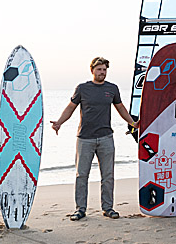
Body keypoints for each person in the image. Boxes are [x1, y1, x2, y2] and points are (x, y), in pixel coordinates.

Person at [51, 57, 137, 221]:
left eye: (104, 69)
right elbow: (71, 107)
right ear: (92, 70)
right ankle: (80, 209)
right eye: (99, 69)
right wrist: (59, 122)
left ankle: (108, 208)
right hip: (85, 138)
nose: (102, 72)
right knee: (81, 175)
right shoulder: (83, 88)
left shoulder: (112, 89)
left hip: (106, 137)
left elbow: (121, 108)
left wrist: (132, 123)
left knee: (108, 175)